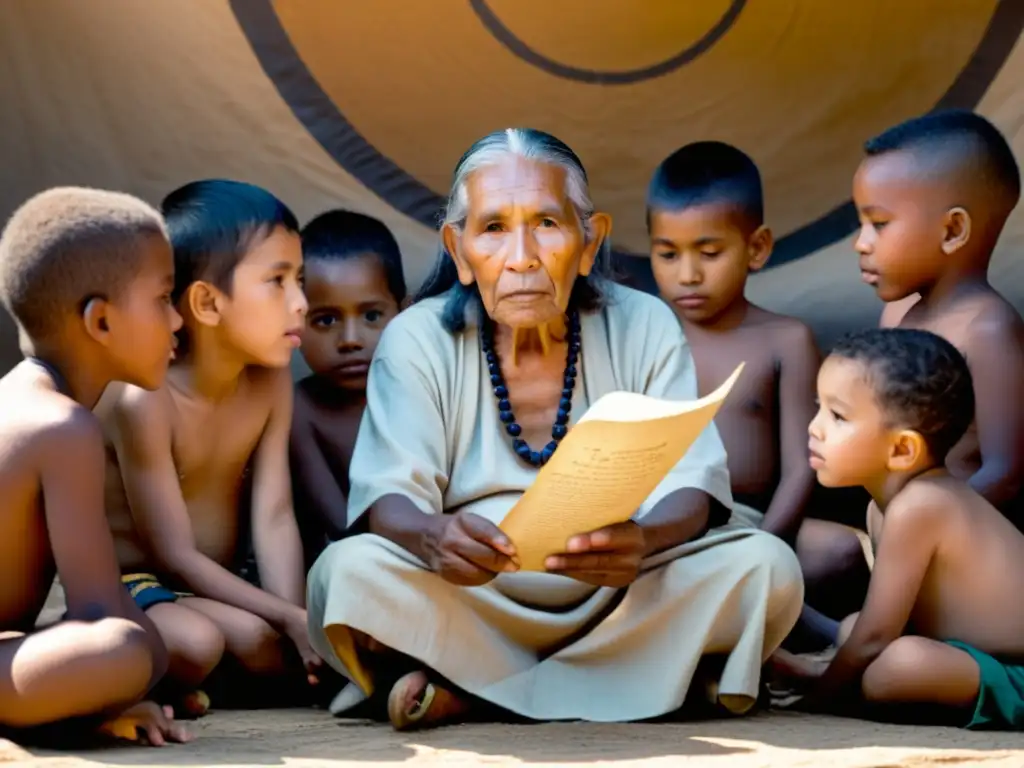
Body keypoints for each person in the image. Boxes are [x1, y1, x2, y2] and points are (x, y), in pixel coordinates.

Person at [306, 128, 804, 731]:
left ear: (589, 243)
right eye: (492, 229)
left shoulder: (644, 324)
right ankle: (643, 684)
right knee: (347, 575)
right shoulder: (416, 339)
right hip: (473, 592)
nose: (522, 256)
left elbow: (694, 485)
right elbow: (389, 496)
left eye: (547, 223)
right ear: (459, 251)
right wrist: (435, 536)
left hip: (618, 588)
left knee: (766, 568)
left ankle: (474, 692)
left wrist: (644, 541)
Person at [96, 179, 321, 713]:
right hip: (136, 586)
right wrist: (288, 621)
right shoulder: (144, 396)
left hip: (217, 588)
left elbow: (274, 514)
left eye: (301, 279)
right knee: (206, 644)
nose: (302, 303)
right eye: (278, 281)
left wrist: (293, 620)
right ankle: (147, 680)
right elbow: (172, 554)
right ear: (207, 303)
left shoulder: (271, 379)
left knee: (264, 643)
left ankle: (197, 686)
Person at [647, 141, 869, 624]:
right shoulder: (644, 335)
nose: (687, 274)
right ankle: (801, 638)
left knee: (842, 552)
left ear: (757, 248)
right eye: (667, 254)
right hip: (664, 532)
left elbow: (802, 466)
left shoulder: (785, 341)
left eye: (709, 252)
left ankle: (766, 624)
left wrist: (766, 542)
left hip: (758, 522)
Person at [0, 187, 190, 745]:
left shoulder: (21, 399)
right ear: (101, 322)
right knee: (127, 653)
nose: (178, 320)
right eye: (163, 299)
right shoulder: (62, 427)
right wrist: (114, 691)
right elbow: (103, 614)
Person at [774, 328, 1024, 729]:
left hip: (1016, 671)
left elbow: (876, 640)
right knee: (854, 627)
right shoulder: (882, 509)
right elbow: (885, 625)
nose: (814, 427)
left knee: (894, 667)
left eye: (837, 416)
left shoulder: (922, 505)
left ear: (903, 449)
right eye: (818, 407)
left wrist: (820, 698)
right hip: (967, 654)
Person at [856, 109, 1024, 526]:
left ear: (952, 231)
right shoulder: (895, 314)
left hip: (959, 540)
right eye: (860, 224)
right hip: (890, 526)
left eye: (878, 224)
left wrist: (921, 528)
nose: (861, 243)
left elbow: (1006, 474)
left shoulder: (987, 330)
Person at [290, 210, 406, 567]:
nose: (351, 340)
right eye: (325, 320)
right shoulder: (299, 409)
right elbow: (342, 525)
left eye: (371, 316)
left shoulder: (420, 391)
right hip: (351, 565)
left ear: (405, 311)